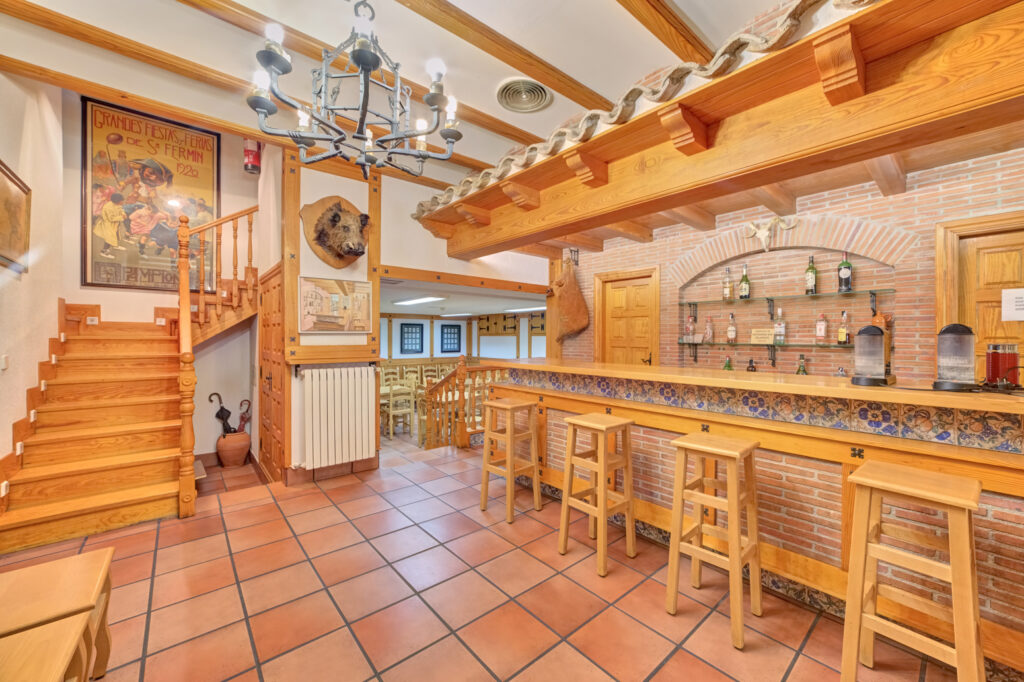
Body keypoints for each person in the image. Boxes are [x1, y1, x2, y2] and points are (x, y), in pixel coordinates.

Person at [94, 193, 126, 259]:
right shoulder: (108, 207)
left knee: (116, 235)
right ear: (117, 201)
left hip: (115, 224)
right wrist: (121, 217)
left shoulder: (117, 204)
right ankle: (103, 251)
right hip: (108, 224)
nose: (122, 202)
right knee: (109, 238)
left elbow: (121, 209)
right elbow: (111, 218)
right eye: (121, 201)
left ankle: (115, 245)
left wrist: (123, 213)